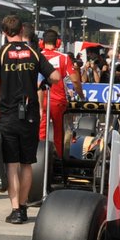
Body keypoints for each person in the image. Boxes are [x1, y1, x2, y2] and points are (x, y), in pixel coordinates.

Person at [0, 15, 59, 224]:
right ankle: (25, 206)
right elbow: (55, 77)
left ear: (4, 32)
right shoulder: (35, 53)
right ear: (21, 31)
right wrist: (42, 83)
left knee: (12, 164)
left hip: (8, 114)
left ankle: (16, 209)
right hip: (30, 114)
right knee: (26, 164)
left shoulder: (0, 54)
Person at [39, 29, 83, 161]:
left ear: (42, 42)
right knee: (59, 131)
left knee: (41, 131)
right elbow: (75, 80)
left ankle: (40, 159)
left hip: (40, 99)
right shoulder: (64, 58)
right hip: (58, 101)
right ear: (58, 42)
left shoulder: (36, 56)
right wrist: (81, 95)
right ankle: (58, 160)